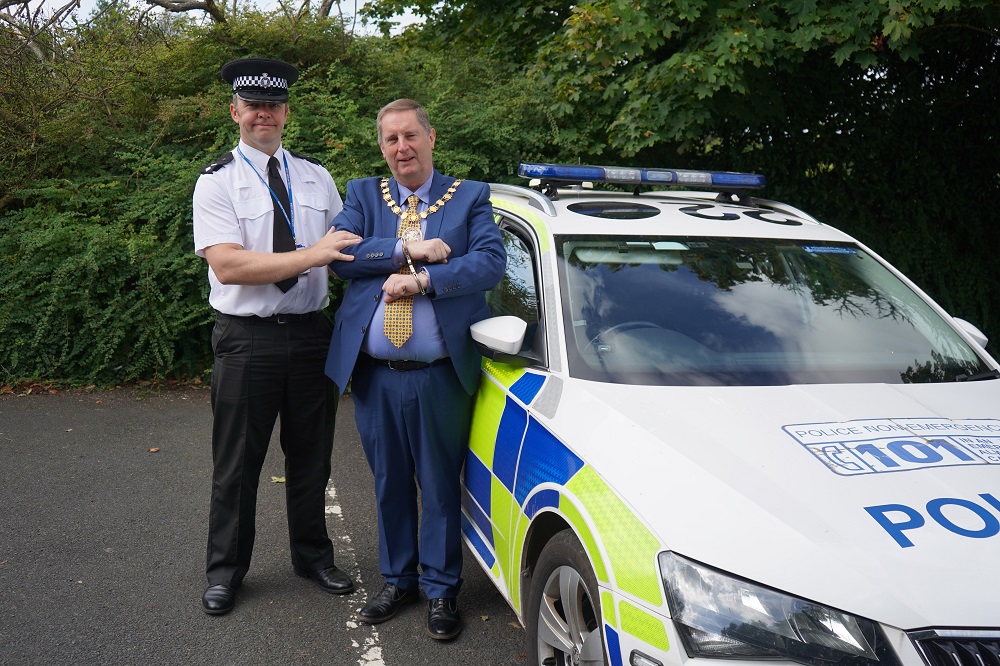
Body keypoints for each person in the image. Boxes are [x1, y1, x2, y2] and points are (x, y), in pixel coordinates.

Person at [325, 99, 506, 640]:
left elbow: (490, 262)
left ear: (431, 137)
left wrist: (423, 280)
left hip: (438, 374)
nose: (401, 148)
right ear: (381, 146)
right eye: (390, 140)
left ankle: (442, 590)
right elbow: (340, 256)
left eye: (410, 136)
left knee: (438, 482)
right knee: (389, 482)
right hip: (375, 372)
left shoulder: (469, 196)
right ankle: (398, 579)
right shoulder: (362, 195)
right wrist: (413, 248)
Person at [192, 57, 361, 616]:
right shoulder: (216, 181)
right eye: (253, 105)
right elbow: (229, 266)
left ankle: (313, 557)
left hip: (313, 335)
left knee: (312, 456)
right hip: (247, 340)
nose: (264, 113)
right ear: (235, 111)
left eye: (274, 104)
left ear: (285, 112)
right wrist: (314, 254)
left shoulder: (317, 176)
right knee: (237, 463)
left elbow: (346, 255)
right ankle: (225, 572)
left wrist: (407, 263)